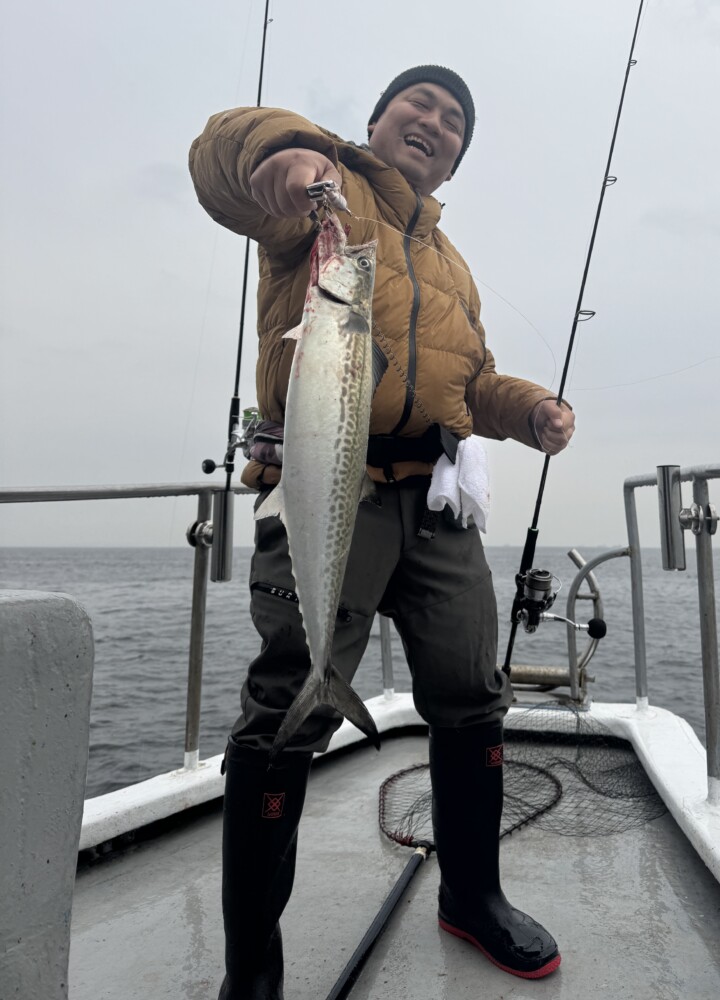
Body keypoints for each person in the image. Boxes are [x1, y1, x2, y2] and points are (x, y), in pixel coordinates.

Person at [189, 65, 575, 999]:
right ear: (376, 120)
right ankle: (252, 969)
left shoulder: (450, 264)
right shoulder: (324, 200)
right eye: (421, 104)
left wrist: (528, 412)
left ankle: (472, 896)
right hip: (327, 481)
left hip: (433, 504)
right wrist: (281, 157)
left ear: (455, 159)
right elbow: (221, 158)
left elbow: (467, 382)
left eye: (454, 121)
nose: (435, 121)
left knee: (470, 693)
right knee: (288, 710)